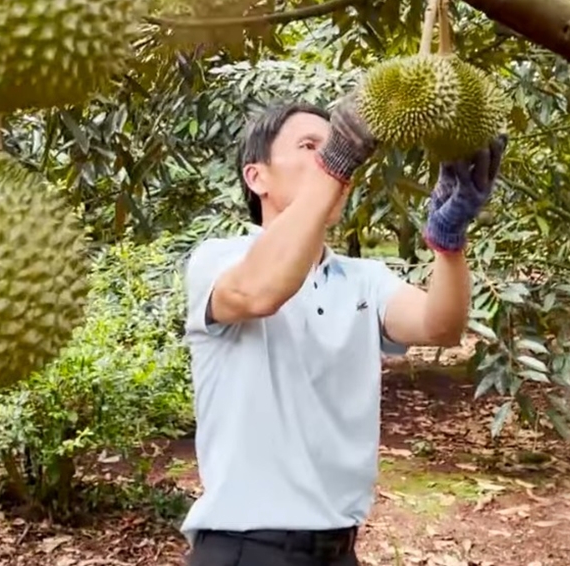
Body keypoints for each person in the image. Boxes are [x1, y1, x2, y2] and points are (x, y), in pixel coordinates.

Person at [180, 96, 508, 566]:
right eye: (309, 147)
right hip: (244, 548)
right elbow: (260, 292)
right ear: (257, 178)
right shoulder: (220, 260)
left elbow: (441, 326)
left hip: (338, 550)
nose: (330, 163)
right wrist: (333, 163)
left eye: (333, 149)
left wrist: (449, 239)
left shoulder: (363, 279)